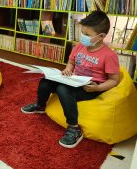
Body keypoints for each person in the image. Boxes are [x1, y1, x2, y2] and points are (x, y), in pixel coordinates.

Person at [21, 11, 120, 148]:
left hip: (91, 87)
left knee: (62, 89)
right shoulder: (79, 46)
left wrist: (97, 88)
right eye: (82, 32)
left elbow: (114, 80)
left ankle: (74, 128)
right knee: (46, 81)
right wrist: (68, 69)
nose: (83, 37)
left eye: (87, 35)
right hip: (73, 80)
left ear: (101, 36)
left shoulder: (109, 55)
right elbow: (71, 63)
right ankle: (40, 106)